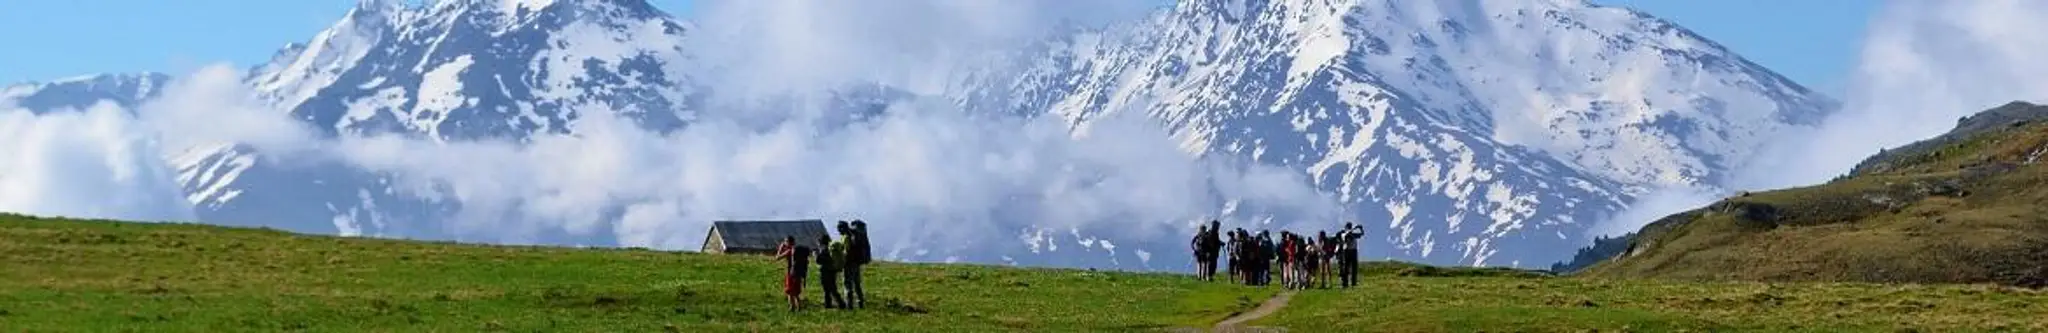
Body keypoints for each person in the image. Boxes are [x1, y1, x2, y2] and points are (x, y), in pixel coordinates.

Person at [775, 236, 811, 312]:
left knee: (790, 291)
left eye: (785, 242)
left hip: (790, 273)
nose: (784, 243)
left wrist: (780, 248)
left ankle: (793, 307)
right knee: (795, 291)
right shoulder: (798, 251)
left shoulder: (789, 251)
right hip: (798, 273)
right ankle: (798, 307)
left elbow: (777, 258)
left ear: (788, 242)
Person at [845, 220, 871, 309]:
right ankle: (860, 303)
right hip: (857, 262)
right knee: (857, 284)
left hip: (851, 262)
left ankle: (849, 305)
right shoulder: (863, 235)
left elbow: (852, 243)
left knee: (848, 284)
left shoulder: (855, 235)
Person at [817, 234, 846, 309]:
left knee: (827, 289)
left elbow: (818, 261)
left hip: (825, 271)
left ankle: (833, 304)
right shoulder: (831, 249)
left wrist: (816, 254)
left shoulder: (824, 250)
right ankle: (836, 303)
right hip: (832, 270)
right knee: (832, 288)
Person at [1339, 222, 1364, 288]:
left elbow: (1362, 234)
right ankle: (1345, 283)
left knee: (1354, 268)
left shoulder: (1353, 234)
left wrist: (1361, 229)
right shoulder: (1343, 234)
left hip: (1353, 251)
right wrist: (1355, 228)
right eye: (1349, 227)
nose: (1350, 228)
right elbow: (1347, 234)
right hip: (1347, 251)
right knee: (1346, 268)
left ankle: (1353, 283)